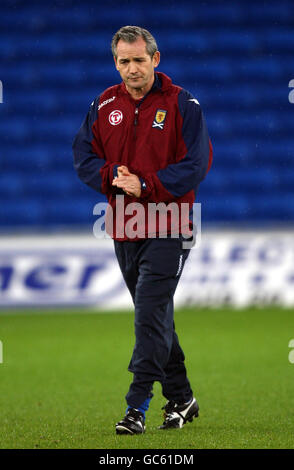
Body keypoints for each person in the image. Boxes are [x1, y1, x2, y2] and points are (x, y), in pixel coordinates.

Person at [72, 25, 213, 435]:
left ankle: (136, 407)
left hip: (171, 225)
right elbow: (83, 154)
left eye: (138, 60)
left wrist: (146, 184)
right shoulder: (103, 104)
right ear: (115, 62)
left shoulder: (184, 105)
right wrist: (109, 175)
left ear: (155, 59)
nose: (131, 69)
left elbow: (196, 165)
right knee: (155, 317)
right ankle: (183, 398)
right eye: (123, 61)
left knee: (148, 316)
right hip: (123, 225)